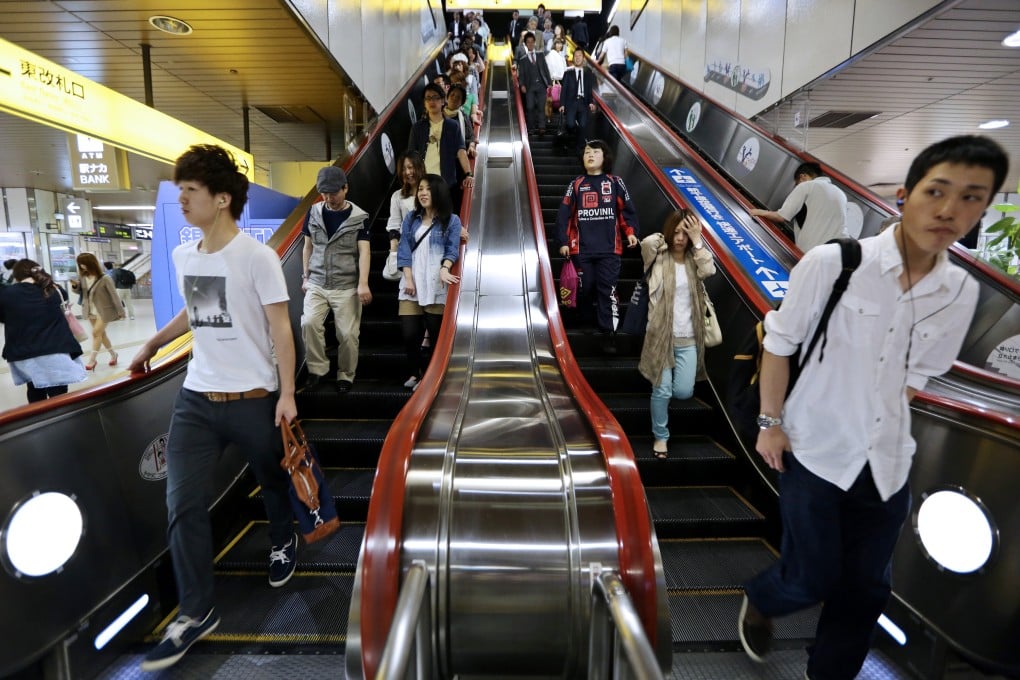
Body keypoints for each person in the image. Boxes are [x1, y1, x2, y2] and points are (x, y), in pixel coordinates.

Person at [738, 135, 1008, 680]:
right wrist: (770, 423)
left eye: (972, 198)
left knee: (866, 591)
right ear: (906, 196)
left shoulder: (959, 294)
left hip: (884, 465)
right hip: (811, 451)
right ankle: (765, 598)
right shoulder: (833, 263)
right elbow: (779, 345)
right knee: (810, 577)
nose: (951, 210)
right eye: (938, 192)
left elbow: (911, 384)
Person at [129, 144, 298, 672]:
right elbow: (198, 314)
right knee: (182, 504)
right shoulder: (188, 256)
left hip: (253, 397)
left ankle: (282, 537)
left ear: (222, 199)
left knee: (272, 478)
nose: (181, 200)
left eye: (191, 192)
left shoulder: (257, 257)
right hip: (197, 399)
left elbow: (280, 329)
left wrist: (287, 394)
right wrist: (154, 343)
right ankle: (195, 612)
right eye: (180, 191)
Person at [638, 210, 716, 459]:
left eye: (686, 232)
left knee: (683, 391)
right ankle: (661, 437)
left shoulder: (695, 259)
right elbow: (647, 243)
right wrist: (668, 233)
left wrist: (698, 239)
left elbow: (710, 270)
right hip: (661, 335)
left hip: (688, 336)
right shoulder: (658, 255)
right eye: (678, 231)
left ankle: (664, 399)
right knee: (661, 391)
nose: (681, 237)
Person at [556, 140, 640, 354]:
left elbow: (626, 212)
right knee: (585, 288)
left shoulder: (615, 183)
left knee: (607, 290)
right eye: (586, 152)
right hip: (580, 250)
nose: (590, 155)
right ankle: (584, 321)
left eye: (595, 152)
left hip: (610, 250)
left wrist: (630, 232)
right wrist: (563, 242)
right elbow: (564, 214)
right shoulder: (576, 183)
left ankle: (608, 333)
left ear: (605, 157)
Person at [299, 166, 372, 392]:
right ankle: (317, 370)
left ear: (345, 188)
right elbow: (307, 247)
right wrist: (305, 277)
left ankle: (346, 375)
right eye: (324, 193)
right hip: (318, 282)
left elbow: (365, 252)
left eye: (333, 193)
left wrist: (363, 283)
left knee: (348, 334)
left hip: (346, 285)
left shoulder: (360, 218)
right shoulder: (312, 213)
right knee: (308, 323)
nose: (329, 198)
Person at [396, 174, 463, 390]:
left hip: (436, 283)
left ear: (439, 192)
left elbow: (452, 248)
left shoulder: (452, 220)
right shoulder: (411, 219)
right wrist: (408, 277)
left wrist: (445, 268)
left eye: (428, 189)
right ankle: (415, 373)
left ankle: (432, 377)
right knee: (409, 335)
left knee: (436, 336)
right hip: (411, 282)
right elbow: (404, 248)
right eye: (421, 189)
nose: (423, 193)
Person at [0, 259, 85, 402]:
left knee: (34, 391)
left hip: (25, 352)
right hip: (57, 350)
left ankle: (40, 421)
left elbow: (4, 318)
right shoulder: (56, 290)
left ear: (17, 276)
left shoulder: (7, 294)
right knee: (59, 395)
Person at [750, 162, 849, 253]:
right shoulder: (841, 194)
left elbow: (780, 216)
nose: (797, 186)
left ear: (802, 177)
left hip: (812, 251)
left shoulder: (807, 186)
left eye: (796, 183)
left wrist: (759, 212)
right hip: (839, 251)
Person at [407, 83, 475, 213]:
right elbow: (411, 157)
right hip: (423, 184)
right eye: (428, 98)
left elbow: (461, 151)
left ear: (443, 100)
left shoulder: (452, 126)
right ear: (424, 102)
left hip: (446, 183)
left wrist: (468, 174)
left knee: (444, 219)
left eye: (436, 97)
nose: (432, 101)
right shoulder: (417, 128)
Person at [72, 252, 123, 370]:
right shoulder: (83, 278)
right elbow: (80, 292)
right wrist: (75, 286)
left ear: (91, 263)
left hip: (104, 310)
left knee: (96, 333)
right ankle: (113, 355)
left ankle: (92, 360)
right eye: (80, 264)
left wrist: (120, 311)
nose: (82, 266)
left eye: (83, 264)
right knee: (101, 334)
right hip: (90, 309)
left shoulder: (105, 278)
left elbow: (114, 295)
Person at [387, 151, 427, 270]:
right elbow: (394, 227)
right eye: (404, 169)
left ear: (419, 167)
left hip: (429, 250)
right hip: (407, 251)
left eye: (410, 167)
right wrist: (394, 254)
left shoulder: (433, 192)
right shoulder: (397, 196)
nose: (407, 172)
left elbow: (443, 215)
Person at [559, 48, 595, 156]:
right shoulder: (568, 73)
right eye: (576, 56)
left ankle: (579, 149)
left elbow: (589, 90)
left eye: (580, 56)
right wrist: (562, 104)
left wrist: (591, 102)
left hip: (583, 103)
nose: (577, 58)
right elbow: (563, 90)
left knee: (583, 125)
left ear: (583, 58)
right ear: (573, 58)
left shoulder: (588, 74)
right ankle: (571, 139)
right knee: (570, 124)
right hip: (571, 103)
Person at [517, 32, 552, 136]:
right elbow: (521, 75)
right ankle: (531, 128)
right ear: (526, 44)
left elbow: (546, 70)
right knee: (530, 107)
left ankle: (542, 127)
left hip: (541, 85)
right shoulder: (522, 60)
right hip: (529, 87)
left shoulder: (540, 55)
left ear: (535, 43)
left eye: (532, 42)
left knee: (541, 107)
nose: (531, 44)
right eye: (528, 42)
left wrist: (549, 83)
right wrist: (522, 85)